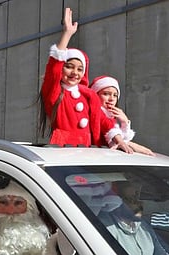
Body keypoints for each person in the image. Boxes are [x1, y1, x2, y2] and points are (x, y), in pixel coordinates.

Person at [38, 8, 132, 153]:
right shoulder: (55, 91)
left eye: (80, 69)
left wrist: (119, 140)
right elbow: (53, 69)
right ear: (62, 67)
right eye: (69, 67)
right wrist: (67, 34)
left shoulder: (89, 96)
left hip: (88, 150)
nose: (75, 73)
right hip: (62, 150)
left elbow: (105, 122)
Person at [90, 75, 154, 155]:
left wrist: (124, 122)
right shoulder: (96, 111)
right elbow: (107, 126)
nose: (111, 99)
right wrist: (122, 142)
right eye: (106, 94)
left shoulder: (111, 115)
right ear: (95, 95)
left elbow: (122, 138)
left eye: (115, 95)